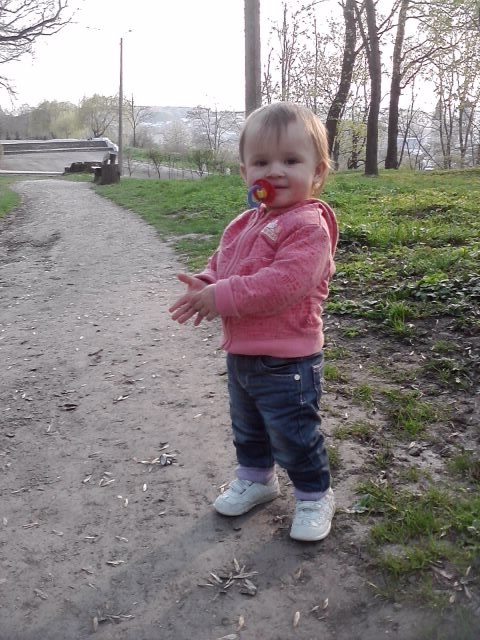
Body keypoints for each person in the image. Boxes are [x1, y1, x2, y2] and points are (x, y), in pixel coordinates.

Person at [169, 102, 338, 542]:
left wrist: (222, 297)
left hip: (288, 359)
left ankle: (314, 495)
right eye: (262, 162)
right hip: (243, 353)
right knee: (248, 427)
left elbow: (283, 284)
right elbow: (223, 262)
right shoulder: (244, 222)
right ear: (246, 172)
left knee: (293, 433)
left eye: (291, 160)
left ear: (317, 172)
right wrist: (207, 282)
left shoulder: (308, 227)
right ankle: (257, 478)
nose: (275, 171)